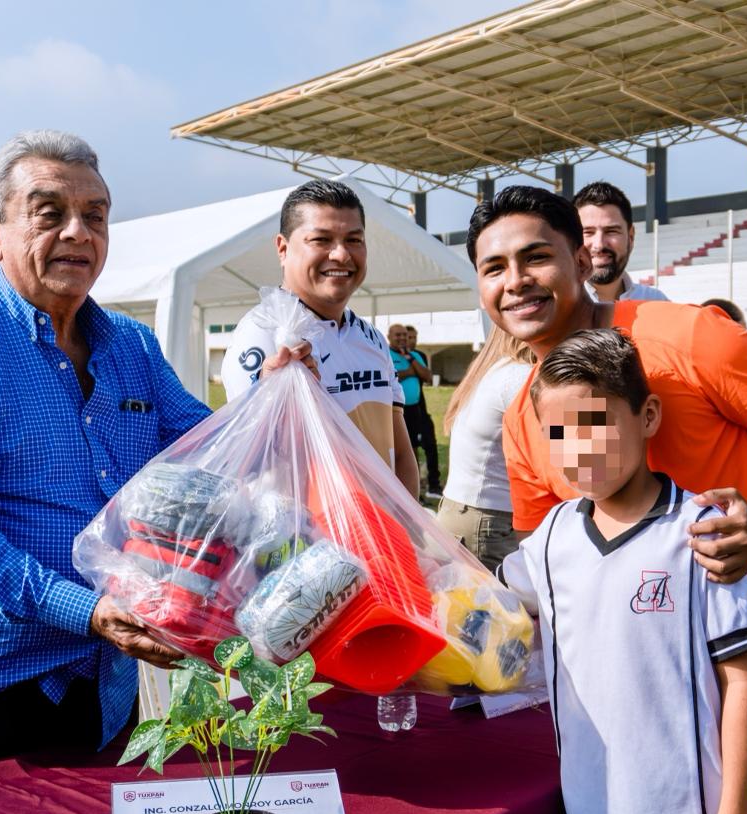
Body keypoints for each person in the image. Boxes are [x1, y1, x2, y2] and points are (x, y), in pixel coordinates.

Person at [470, 185, 747, 814]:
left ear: (580, 259)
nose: (516, 281)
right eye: (494, 267)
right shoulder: (525, 420)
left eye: (535, 257)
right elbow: (556, 572)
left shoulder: (689, 334)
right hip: (679, 710)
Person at [0, 131, 213, 787]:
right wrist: (84, 609)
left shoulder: (132, 347)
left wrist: (278, 400)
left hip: (104, 681)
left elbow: (209, 455)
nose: (78, 232)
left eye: (96, 215)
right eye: (50, 213)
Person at [500, 328, 747, 814]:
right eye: (558, 433)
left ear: (647, 416)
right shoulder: (551, 537)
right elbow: (477, 601)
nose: (578, 449)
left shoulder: (702, 531)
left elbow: (743, 683)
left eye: (595, 424)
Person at [221, 180, 420, 496]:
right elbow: (244, 461)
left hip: (381, 527)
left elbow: (401, 452)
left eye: (354, 240)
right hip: (302, 528)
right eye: (321, 240)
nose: (341, 254)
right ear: (283, 249)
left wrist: (408, 519)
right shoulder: (262, 334)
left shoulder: (371, 337)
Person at [437, 326, 533, 570]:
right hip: (489, 521)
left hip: (465, 512)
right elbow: (556, 444)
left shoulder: (494, 371)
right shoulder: (520, 376)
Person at [572, 181, 669, 302]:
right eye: (588, 232)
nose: (599, 245)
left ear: (631, 237)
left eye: (611, 231)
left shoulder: (656, 302)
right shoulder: (555, 307)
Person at [388, 324, 442, 498]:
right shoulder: (385, 353)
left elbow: (427, 376)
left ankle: (415, 491)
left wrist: (410, 359)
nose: (402, 338)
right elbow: (390, 377)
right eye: (398, 335)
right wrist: (410, 372)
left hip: (415, 410)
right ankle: (401, 491)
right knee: (400, 450)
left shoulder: (415, 355)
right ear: (389, 336)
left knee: (414, 449)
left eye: (404, 335)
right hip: (394, 410)